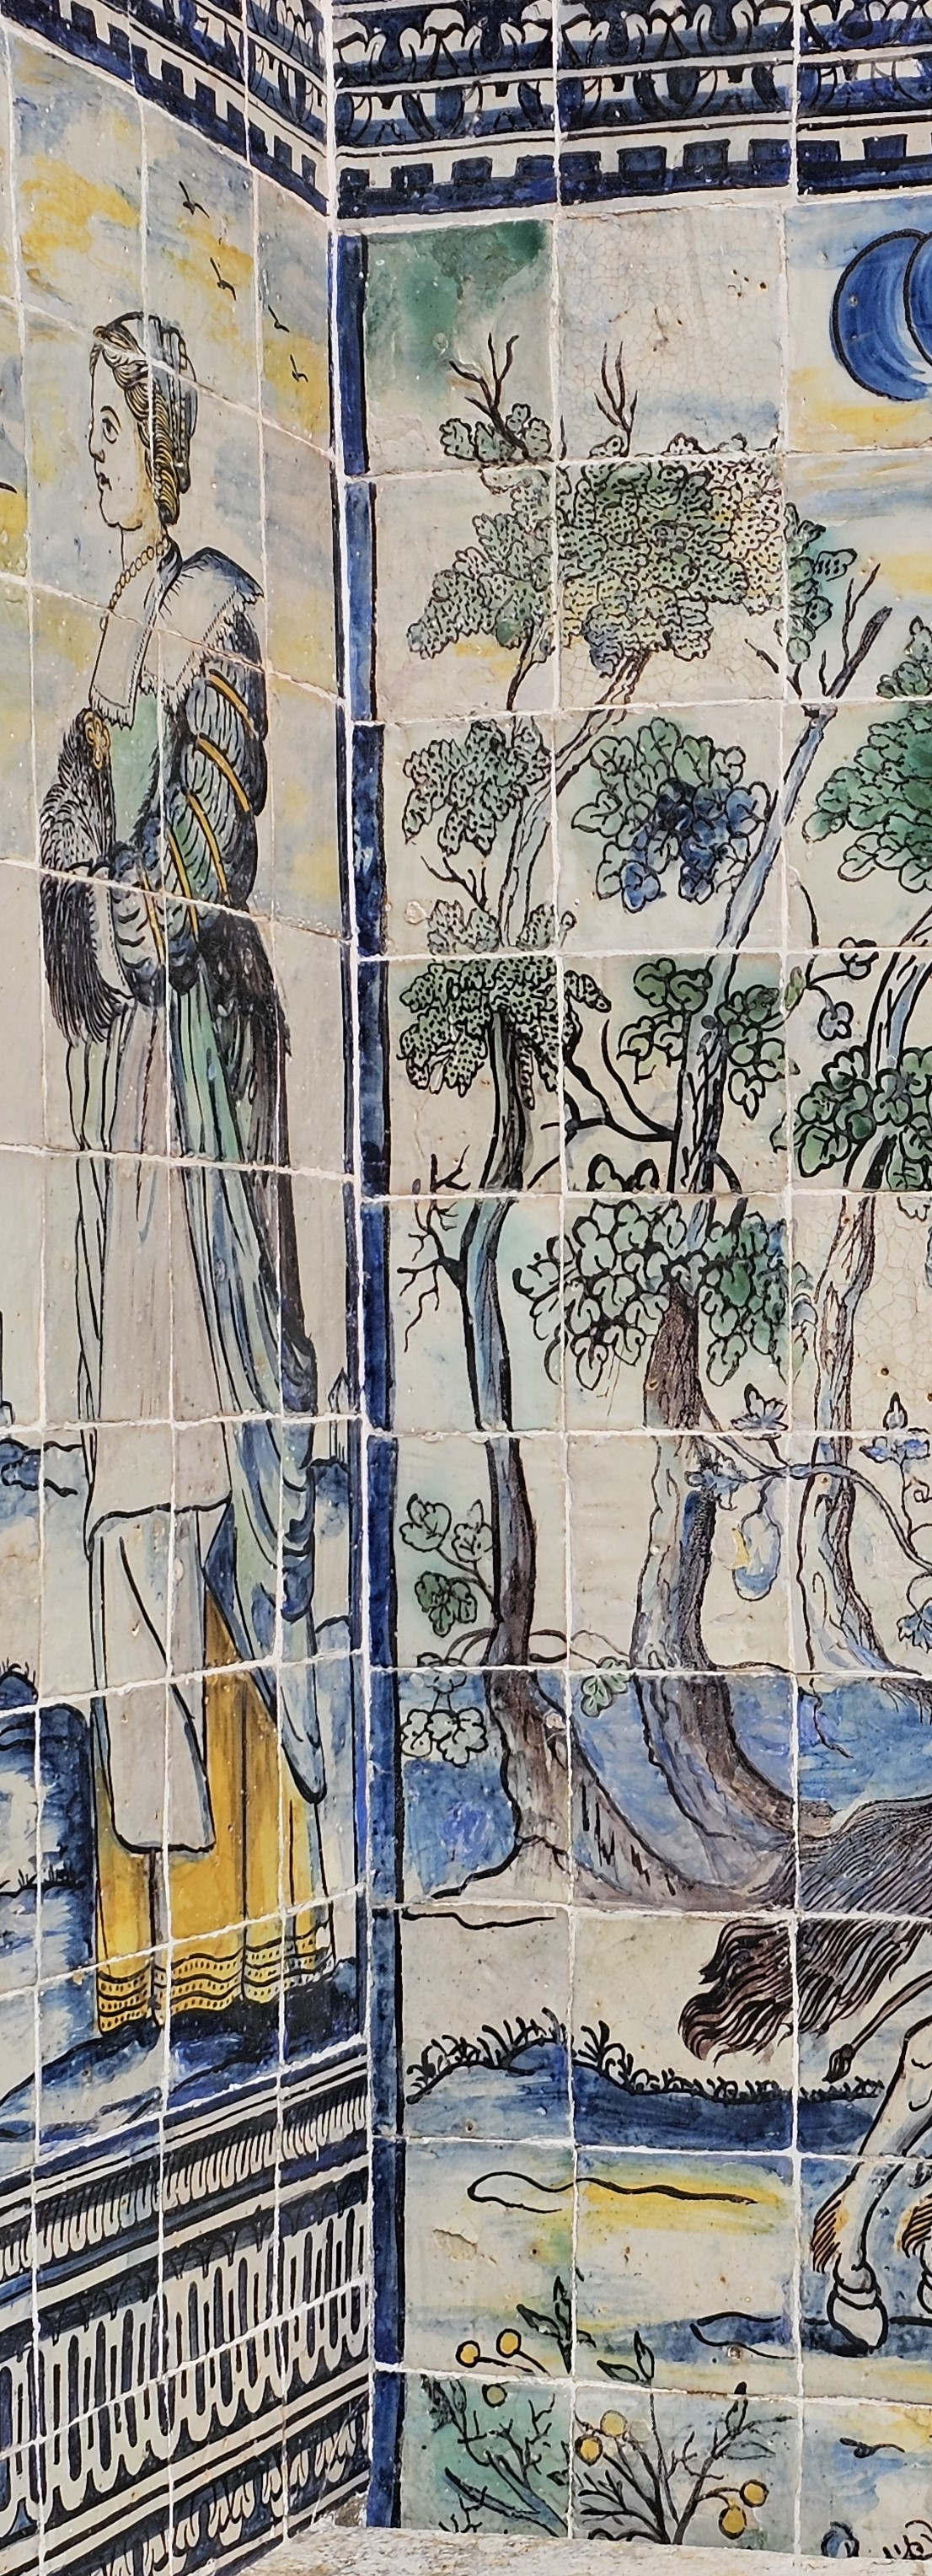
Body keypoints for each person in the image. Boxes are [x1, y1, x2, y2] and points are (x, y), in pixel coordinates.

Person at [39, 312, 331, 2037]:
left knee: (208, 1448)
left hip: (203, 1072)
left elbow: (205, 847)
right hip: (127, 1086)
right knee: (133, 1469)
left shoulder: (212, 606)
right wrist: (77, 867)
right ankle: (155, 1938)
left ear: (157, 435)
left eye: (106, 422)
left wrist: (122, 898)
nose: (89, 452)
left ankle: (245, 1918)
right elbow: (78, 871)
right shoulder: (113, 621)